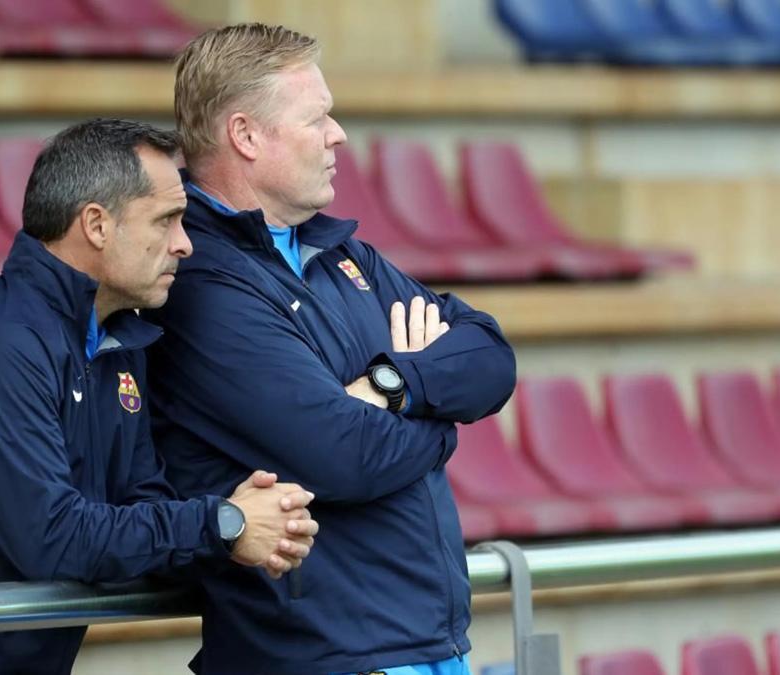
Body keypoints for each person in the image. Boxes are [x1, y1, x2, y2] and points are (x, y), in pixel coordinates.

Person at [0, 119, 320, 675]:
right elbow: (54, 539)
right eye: (166, 220)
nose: (184, 243)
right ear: (96, 225)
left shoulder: (118, 343)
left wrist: (249, 525)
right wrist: (221, 524)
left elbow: (140, 509)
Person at [144, 24, 517, 675]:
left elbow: (490, 354)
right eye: (316, 118)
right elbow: (343, 455)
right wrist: (441, 420)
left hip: (425, 642)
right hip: (321, 654)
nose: (337, 134)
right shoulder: (199, 279)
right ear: (246, 136)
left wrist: (393, 386)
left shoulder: (339, 252)